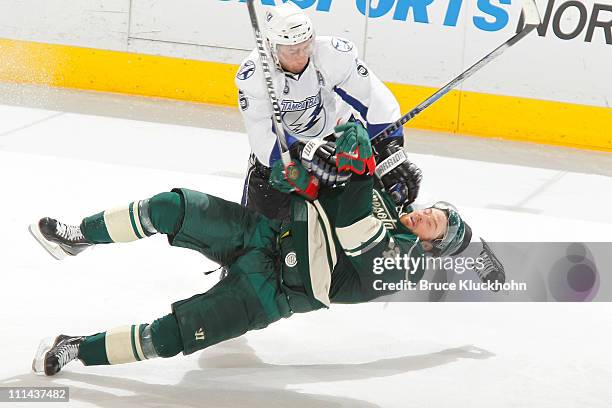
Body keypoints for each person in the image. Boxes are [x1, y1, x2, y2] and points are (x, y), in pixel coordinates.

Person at [30, 123, 470, 377]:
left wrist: (356, 172)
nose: (430, 214)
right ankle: (78, 237)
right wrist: (322, 155)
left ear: (435, 246)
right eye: (436, 210)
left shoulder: (404, 265)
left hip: (271, 292)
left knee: (168, 335)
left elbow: (356, 232)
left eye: (439, 223)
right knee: (169, 207)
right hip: (261, 233)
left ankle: (74, 348)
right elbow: (298, 185)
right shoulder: (385, 200)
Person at [236, 1, 420, 220]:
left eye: (306, 46)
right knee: (257, 231)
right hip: (285, 150)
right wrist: (298, 153)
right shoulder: (255, 76)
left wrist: (390, 148)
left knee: (372, 210)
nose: (301, 56)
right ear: (271, 48)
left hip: (338, 140)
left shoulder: (331, 55)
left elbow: (375, 99)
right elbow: (261, 135)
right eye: (292, 51)